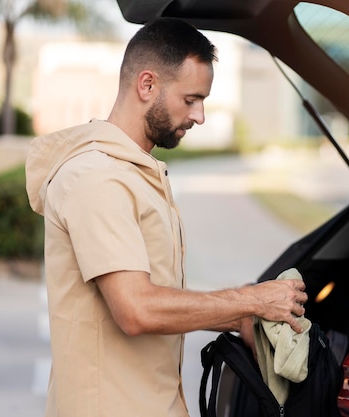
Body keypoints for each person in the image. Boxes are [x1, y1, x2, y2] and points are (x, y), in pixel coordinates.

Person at [25, 17, 307, 417]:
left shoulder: (133, 171)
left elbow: (158, 300)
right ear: (147, 85)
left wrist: (238, 315)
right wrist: (251, 300)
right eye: (191, 99)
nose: (200, 116)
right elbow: (136, 309)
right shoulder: (97, 178)